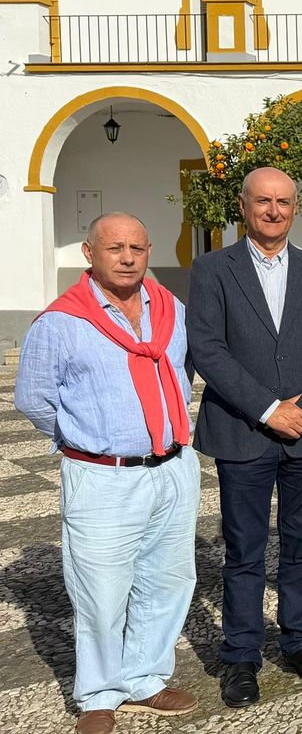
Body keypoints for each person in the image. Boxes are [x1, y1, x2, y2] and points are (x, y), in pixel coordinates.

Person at [16, 213, 201, 734]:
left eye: (137, 248)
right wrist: (86, 438)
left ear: (148, 252)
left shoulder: (171, 310)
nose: (126, 257)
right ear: (88, 253)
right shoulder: (61, 321)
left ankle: (146, 677)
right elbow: (34, 399)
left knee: (168, 580)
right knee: (100, 589)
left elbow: (182, 372)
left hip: (173, 468)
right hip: (103, 475)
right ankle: (99, 692)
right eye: (114, 247)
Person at [188, 168, 302, 707]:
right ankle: (240, 655)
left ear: (295, 207)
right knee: (244, 550)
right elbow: (208, 349)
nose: (274, 210)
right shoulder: (212, 269)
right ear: (244, 204)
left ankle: (299, 641)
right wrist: (267, 409)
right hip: (243, 432)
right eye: (264, 201)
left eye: (283, 201)